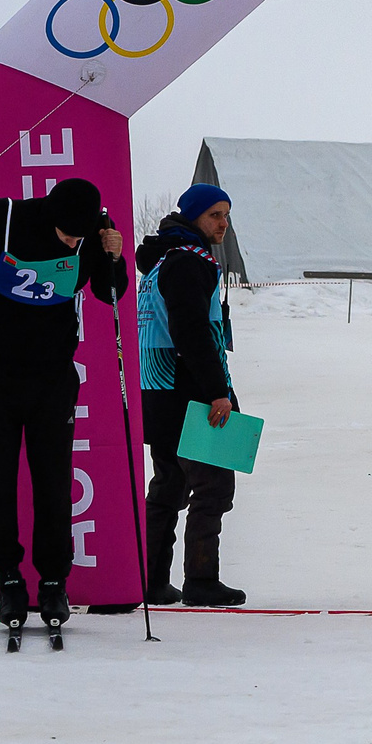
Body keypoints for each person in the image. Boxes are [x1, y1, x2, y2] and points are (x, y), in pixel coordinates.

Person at [0, 178, 129, 634]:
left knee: (53, 481)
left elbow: (110, 292)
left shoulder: (94, 233)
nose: (72, 242)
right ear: (50, 216)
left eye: (79, 237)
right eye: (67, 234)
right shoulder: (6, 216)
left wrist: (114, 256)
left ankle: (52, 581)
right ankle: (7, 576)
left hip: (51, 379)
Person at [129, 182, 247, 608]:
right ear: (194, 216)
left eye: (226, 215)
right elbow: (191, 332)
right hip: (189, 394)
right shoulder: (187, 262)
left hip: (158, 391)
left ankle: (151, 580)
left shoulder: (160, 261)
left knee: (169, 486)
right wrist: (218, 391)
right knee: (213, 486)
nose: (223, 223)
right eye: (215, 214)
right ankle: (201, 579)